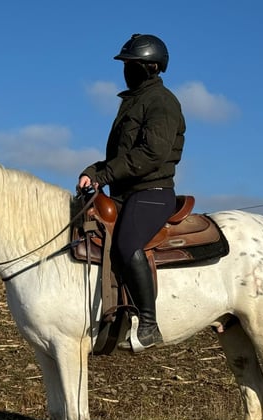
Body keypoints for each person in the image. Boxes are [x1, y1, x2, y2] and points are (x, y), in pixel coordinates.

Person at [77, 33, 186, 351]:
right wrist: (94, 172)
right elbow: (120, 157)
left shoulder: (162, 102)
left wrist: (106, 173)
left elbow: (152, 154)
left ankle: (149, 324)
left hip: (152, 191)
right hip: (125, 191)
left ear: (151, 67)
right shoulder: (133, 101)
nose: (127, 70)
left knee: (125, 244)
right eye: (126, 65)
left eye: (132, 65)